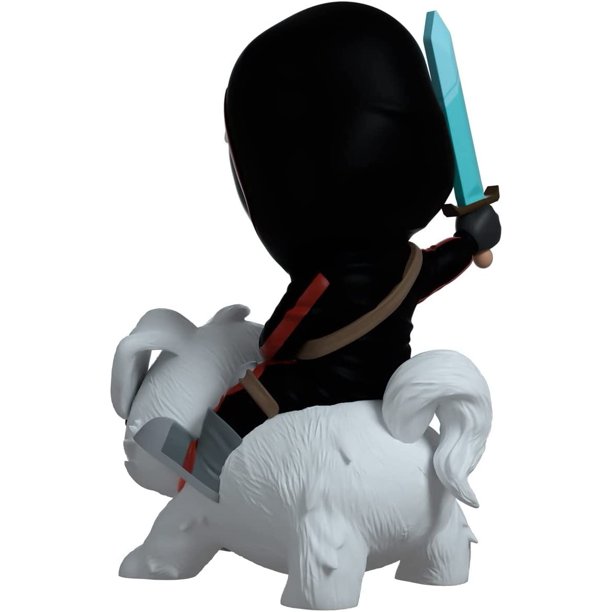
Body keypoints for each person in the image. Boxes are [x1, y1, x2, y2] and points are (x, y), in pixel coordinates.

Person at [134, 2, 501, 501]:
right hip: (385, 379)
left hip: (323, 388)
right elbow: (441, 265)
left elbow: (280, 337)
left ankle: (206, 464)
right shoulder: (406, 263)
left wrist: (267, 347)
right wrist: (472, 239)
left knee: (251, 396)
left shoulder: (327, 276)